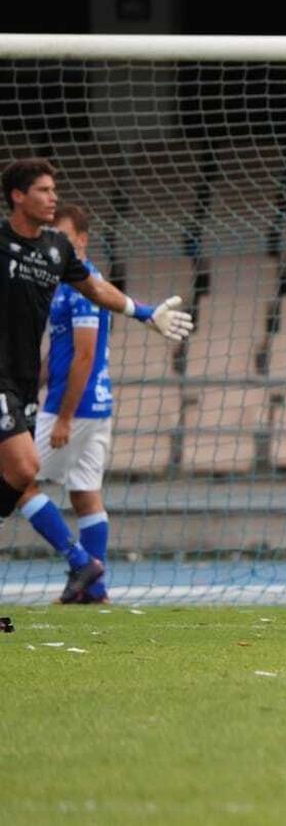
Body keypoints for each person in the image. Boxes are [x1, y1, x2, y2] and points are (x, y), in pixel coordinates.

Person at [1, 159, 191, 603]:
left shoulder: (56, 251)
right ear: (17, 196)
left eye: (54, 190)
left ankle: (87, 571)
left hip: (29, 386)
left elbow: (97, 289)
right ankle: (83, 564)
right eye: (44, 190)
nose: (52, 197)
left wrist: (145, 314)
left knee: (27, 476)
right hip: (7, 381)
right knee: (26, 470)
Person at [34, 204, 117, 603]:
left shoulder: (84, 285)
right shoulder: (66, 282)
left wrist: (63, 417)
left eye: (63, 236)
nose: (56, 243)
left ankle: (79, 560)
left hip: (75, 406)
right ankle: (95, 589)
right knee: (85, 492)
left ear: (82, 240)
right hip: (97, 405)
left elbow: (84, 356)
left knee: (16, 481)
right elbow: (62, 351)